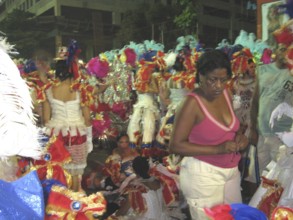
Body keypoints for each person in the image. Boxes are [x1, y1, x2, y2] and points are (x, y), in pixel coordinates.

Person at [169, 49, 248, 219]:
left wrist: (240, 137)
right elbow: (176, 145)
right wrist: (218, 149)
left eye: (223, 80)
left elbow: (233, 127)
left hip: (231, 171)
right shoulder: (192, 104)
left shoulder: (225, 94)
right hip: (203, 175)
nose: (218, 86)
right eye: (213, 80)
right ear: (201, 76)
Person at [42, 44, 93, 192]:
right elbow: (87, 118)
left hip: (56, 136)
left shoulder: (49, 90)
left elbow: (46, 120)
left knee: (58, 173)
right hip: (77, 135)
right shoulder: (80, 90)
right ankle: (75, 209)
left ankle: (60, 207)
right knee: (76, 176)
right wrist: (89, 140)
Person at [248, 21, 293, 183]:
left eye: (287, 49)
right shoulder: (263, 70)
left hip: (282, 137)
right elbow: (255, 101)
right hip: (261, 133)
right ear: (275, 50)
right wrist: (252, 129)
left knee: (280, 180)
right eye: (281, 48)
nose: (284, 53)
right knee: (259, 176)